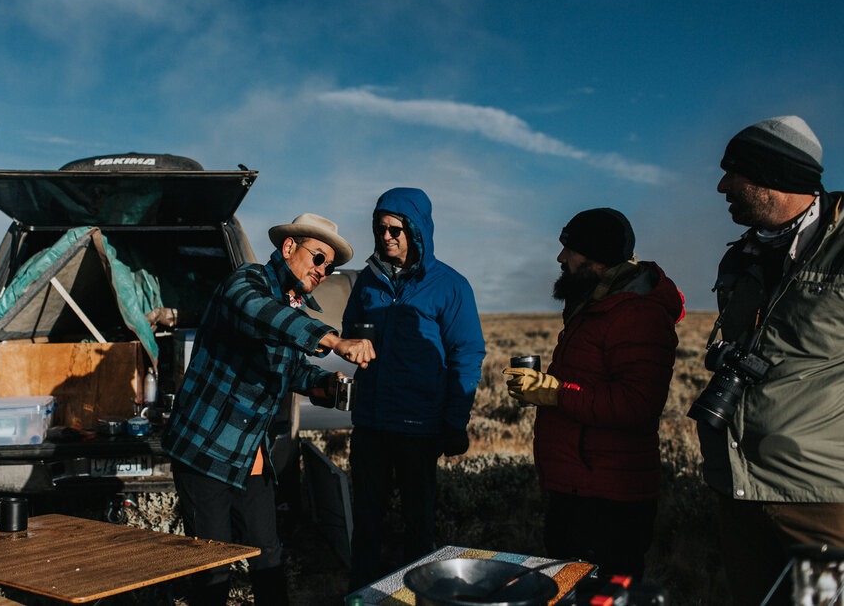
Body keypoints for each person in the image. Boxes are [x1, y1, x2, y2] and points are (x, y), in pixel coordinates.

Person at [161, 213, 375, 606]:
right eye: (318, 258)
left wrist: (323, 385)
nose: (324, 271)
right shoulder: (247, 282)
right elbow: (260, 313)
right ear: (289, 247)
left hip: (249, 455)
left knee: (269, 555)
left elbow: (289, 368)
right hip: (206, 452)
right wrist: (332, 339)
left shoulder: (292, 307)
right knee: (213, 567)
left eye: (331, 266)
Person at [694, 115, 844, 605]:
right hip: (738, 490)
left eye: (732, 173)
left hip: (819, 503)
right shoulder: (739, 257)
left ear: (770, 175)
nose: (721, 186)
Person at [504, 208, 684, 581]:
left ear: (596, 256)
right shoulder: (595, 305)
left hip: (610, 498)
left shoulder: (637, 315)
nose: (560, 258)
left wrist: (555, 393)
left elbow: (637, 404)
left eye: (568, 249)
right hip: (579, 486)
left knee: (603, 593)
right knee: (569, 588)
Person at [342, 187, 486, 590]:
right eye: (380, 228)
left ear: (417, 232)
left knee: (417, 523)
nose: (386, 236)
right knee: (366, 520)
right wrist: (359, 337)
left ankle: (417, 595)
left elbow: (467, 353)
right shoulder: (368, 282)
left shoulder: (450, 286)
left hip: (418, 427)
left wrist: (455, 422)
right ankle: (365, 593)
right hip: (371, 421)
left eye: (395, 230)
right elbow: (351, 327)